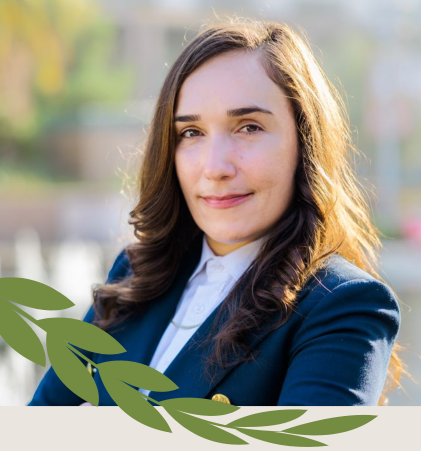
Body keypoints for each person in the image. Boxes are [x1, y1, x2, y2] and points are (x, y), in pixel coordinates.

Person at [28, 17, 403, 407]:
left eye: (249, 127)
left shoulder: (342, 306)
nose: (214, 167)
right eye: (191, 133)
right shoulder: (138, 275)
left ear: (305, 143)